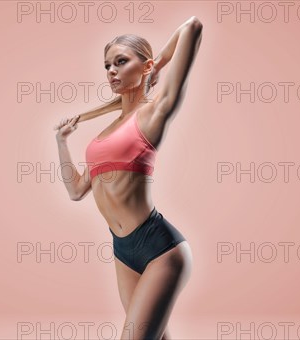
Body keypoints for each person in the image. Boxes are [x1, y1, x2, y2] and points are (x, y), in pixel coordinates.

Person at [54, 16, 203, 340]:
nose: (111, 71)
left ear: (144, 65)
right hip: (123, 251)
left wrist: (158, 66)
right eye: (107, 65)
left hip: (160, 249)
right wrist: (61, 142)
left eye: (121, 61)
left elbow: (192, 27)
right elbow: (76, 191)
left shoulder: (152, 113)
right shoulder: (104, 131)